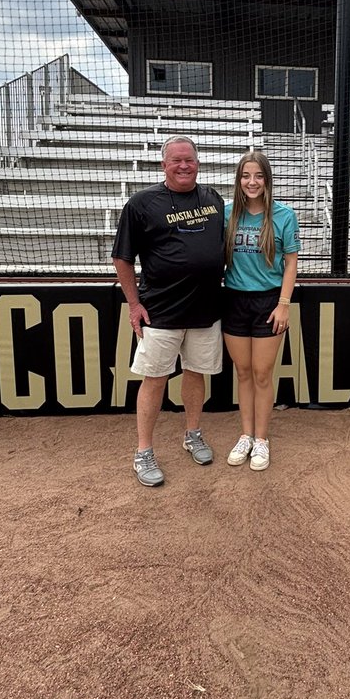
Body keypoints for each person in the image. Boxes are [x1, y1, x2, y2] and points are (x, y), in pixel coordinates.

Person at [112, 135, 225, 487]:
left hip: (205, 310)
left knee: (196, 373)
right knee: (155, 379)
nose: (183, 165)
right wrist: (134, 304)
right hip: (160, 310)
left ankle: (193, 434)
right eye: (176, 160)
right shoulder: (141, 204)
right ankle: (143, 452)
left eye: (189, 159)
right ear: (164, 165)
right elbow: (122, 258)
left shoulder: (213, 199)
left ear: (198, 163)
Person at [222, 150, 300, 472]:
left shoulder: (284, 215)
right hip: (234, 300)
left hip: (269, 303)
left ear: (267, 180)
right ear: (238, 180)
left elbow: (291, 263)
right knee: (242, 372)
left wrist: (283, 304)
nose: (251, 182)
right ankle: (246, 435)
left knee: (262, 373)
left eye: (258, 176)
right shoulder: (227, 214)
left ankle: (262, 439)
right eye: (245, 176)